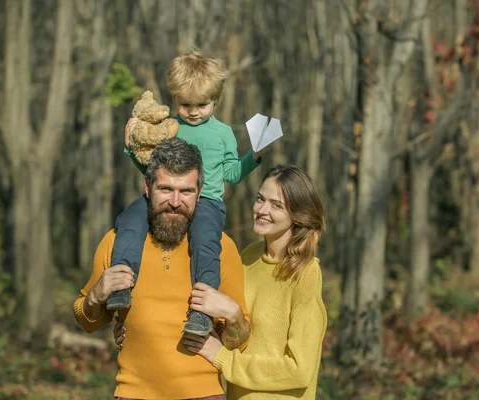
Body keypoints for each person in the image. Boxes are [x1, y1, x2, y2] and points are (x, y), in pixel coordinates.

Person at [115, 165, 328, 399]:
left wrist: (223, 358)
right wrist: (138, 328)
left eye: (276, 205)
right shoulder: (247, 257)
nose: (261, 210)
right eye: (260, 199)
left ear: (299, 215)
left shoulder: (306, 273)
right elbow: (228, 328)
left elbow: (299, 371)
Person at [74, 138, 251, 399]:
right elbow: (87, 322)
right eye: (166, 189)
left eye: (187, 191)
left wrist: (234, 315)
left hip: (203, 394)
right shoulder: (116, 242)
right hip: (133, 393)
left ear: (200, 193)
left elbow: (241, 342)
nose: (176, 201)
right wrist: (95, 296)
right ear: (147, 187)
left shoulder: (221, 248)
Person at [107, 50, 265, 337]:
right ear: (174, 99)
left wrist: (253, 158)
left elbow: (232, 174)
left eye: (202, 105)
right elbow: (151, 169)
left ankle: (202, 311)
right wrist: (130, 148)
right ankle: (122, 284)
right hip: (165, 198)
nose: (193, 111)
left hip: (207, 203)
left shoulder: (223, 133)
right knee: (129, 220)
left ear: (215, 101)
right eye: (185, 104)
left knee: (206, 242)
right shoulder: (169, 128)